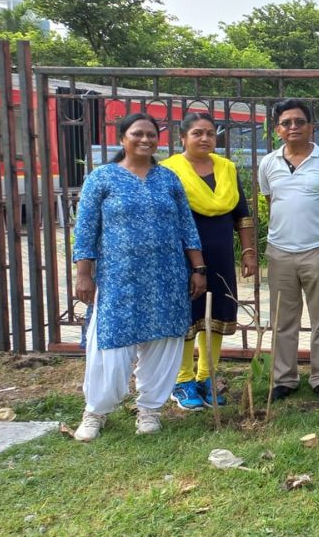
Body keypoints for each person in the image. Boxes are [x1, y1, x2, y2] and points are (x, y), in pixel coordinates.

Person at [72, 113, 206, 441]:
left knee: (164, 342)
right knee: (111, 344)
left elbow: (186, 226)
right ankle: (96, 412)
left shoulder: (168, 179)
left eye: (151, 134)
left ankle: (150, 409)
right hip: (119, 279)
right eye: (138, 134)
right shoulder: (102, 178)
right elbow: (86, 228)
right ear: (123, 138)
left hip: (167, 277)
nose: (145, 139)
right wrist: (84, 274)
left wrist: (198, 268)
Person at [162, 112, 257, 411]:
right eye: (197, 133)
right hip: (180, 255)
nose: (204, 138)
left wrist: (248, 251)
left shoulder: (226, 168)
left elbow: (241, 213)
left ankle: (207, 376)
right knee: (187, 316)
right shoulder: (168, 171)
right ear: (182, 138)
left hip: (220, 253)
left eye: (210, 133)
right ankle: (182, 380)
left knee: (217, 313)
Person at [258, 99, 319, 400]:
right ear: (277, 129)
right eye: (286, 123)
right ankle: (284, 379)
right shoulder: (269, 163)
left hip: (318, 249)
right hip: (279, 252)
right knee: (283, 320)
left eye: (299, 121)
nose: (293, 127)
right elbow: (271, 202)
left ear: (311, 126)